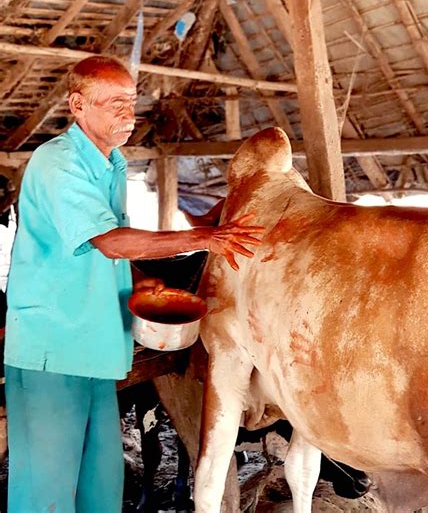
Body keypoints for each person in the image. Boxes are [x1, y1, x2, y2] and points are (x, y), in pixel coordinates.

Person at [4, 56, 264, 513]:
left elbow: (105, 254)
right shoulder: (57, 163)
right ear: (77, 105)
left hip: (98, 350)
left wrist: (147, 282)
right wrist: (204, 236)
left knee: (102, 488)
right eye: (115, 103)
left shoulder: (113, 164)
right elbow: (108, 242)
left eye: (131, 102)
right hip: (53, 349)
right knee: (45, 493)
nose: (128, 114)